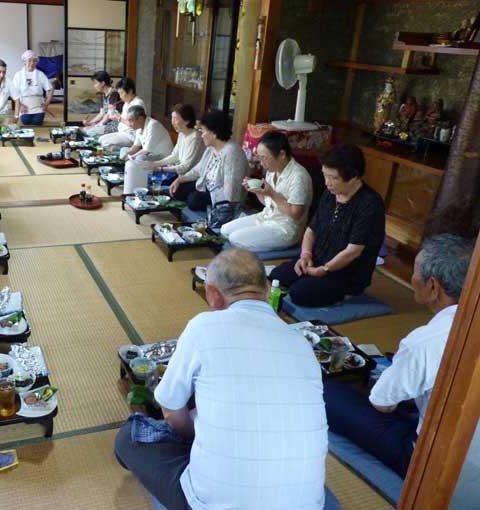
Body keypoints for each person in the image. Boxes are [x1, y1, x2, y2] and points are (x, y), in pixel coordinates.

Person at [115, 248, 328, 510]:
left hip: (212, 503)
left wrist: (193, 435)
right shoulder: (301, 344)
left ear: (213, 294)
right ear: (264, 288)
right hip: (305, 503)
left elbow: (170, 411)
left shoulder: (203, 327)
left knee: (129, 436)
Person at [324, 234, 474, 478]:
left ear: (433, 286)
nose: (413, 278)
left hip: (431, 460)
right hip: (469, 450)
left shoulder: (426, 341)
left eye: (415, 271)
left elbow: (382, 403)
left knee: (329, 393)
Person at [269, 144, 385, 307]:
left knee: (299, 293)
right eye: (325, 175)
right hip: (317, 259)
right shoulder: (331, 193)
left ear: (353, 177)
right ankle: (311, 279)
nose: (327, 182)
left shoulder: (370, 203)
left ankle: (347, 293)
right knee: (277, 276)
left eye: (333, 178)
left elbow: (353, 251)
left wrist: (324, 269)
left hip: (344, 272)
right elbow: (311, 229)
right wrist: (305, 255)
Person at [221, 131, 313, 252]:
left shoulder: (299, 176)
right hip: (266, 217)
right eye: (259, 158)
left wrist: (272, 194)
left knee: (235, 238)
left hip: (285, 228)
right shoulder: (272, 170)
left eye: (264, 158)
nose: (261, 163)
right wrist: (257, 190)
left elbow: (296, 213)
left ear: (281, 154)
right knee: (225, 230)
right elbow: (267, 203)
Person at [169, 110, 248, 211]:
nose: (201, 135)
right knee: (177, 188)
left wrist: (224, 208)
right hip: (206, 186)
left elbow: (232, 193)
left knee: (194, 200)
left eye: (203, 131)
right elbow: (198, 170)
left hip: (221, 195)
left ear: (214, 133)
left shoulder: (232, 153)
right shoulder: (211, 148)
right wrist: (180, 179)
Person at [121, 106, 174, 194]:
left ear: (140, 119)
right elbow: (136, 146)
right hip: (151, 155)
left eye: (131, 120)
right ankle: (131, 176)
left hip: (162, 157)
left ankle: (140, 184)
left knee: (140, 159)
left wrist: (131, 156)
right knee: (123, 150)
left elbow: (146, 150)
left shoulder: (153, 125)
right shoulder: (139, 128)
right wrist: (127, 154)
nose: (129, 124)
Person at [151, 103, 204, 178]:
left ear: (187, 121)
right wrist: (155, 163)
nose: (172, 122)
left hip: (191, 178)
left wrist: (161, 169)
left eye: (175, 119)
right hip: (181, 175)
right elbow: (175, 156)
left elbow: (185, 167)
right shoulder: (182, 133)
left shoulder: (195, 138)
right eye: (172, 118)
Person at [98, 77, 145, 149]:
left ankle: (120, 157)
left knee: (105, 143)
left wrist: (118, 117)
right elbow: (122, 119)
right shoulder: (127, 102)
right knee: (100, 139)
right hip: (122, 132)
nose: (120, 97)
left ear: (130, 91)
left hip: (131, 136)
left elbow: (133, 125)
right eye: (119, 93)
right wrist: (114, 113)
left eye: (121, 93)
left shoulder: (138, 103)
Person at [11, 50, 53, 126]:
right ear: (24, 62)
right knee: (26, 121)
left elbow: (50, 89)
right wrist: (20, 105)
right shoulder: (18, 75)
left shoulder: (40, 74)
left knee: (38, 121)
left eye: (34, 61)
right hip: (24, 105)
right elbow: (13, 92)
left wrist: (46, 104)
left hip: (38, 104)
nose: (32, 63)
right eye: (29, 61)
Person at [81, 71, 121, 137]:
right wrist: (90, 123)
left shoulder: (114, 93)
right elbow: (101, 113)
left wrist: (97, 125)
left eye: (96, 83)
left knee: (90, 132)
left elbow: (109, 114)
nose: (94, 86)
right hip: (106, 122)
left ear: (102, 83)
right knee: (85, 130)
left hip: (115, 124)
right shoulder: (104, 94)